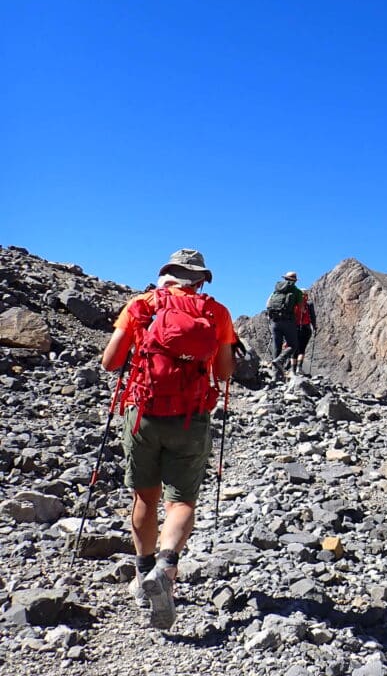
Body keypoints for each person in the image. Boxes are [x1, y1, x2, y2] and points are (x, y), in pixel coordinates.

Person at [101, 249, 235, 630]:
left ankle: (142, 573)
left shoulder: (142, 304)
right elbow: (224, 374)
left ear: (167, 274)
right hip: (190, 418)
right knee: (182, 500)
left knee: (145, 496)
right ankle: (166, 564)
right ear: (200, 279)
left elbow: (110, 362)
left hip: (142, 412)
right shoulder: (217, 312)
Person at [266, 271, 304, 372]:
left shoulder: (276, 290)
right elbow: (300, 309)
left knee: (276, 346)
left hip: (274, 321)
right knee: (293, 345)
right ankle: (279, 360)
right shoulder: (297, 291)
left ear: (285, 279)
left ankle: (275, 375)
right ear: (295, 281)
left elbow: (267, 304)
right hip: (288, 321)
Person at [293, 289, 316, 373]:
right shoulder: (309, 304)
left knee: (295, 349)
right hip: (306, 329)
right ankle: (299, 367)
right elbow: (313, 317)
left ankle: (293, 369)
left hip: (295, 328)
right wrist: (315, 327)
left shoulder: (294, 303)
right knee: (302, 349)